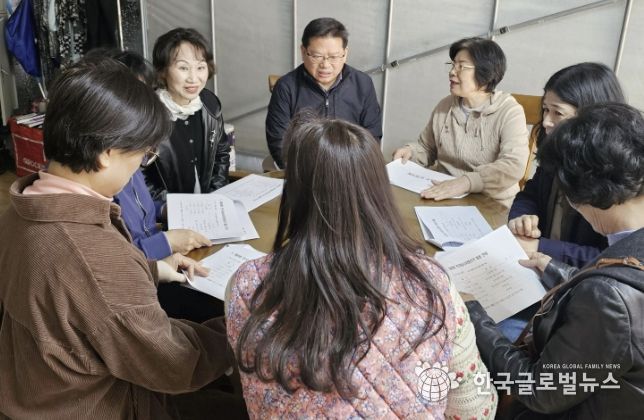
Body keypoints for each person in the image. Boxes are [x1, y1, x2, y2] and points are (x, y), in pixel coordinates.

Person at [0, 58, 232, 418]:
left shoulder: (21, 210)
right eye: (142, 155)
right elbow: (175, 363)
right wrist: (240, 330)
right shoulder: (96, 258)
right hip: (100, 406)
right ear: (106, 154)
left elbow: (73, 298)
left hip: (39, 395)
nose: (140, 165)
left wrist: (148, 269)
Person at [227, 114, 497, 418]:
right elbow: (476, 407)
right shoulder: (431, 282)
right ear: (378, 189)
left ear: (294, 193)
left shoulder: (247, 285)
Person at [466, 103, 644, 419]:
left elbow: (539, 391)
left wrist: (472, 315)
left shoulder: (607, 296)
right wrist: (559, 271)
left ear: (582, 193)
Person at [508, 63, 624, 268]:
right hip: (539, 267)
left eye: (558, 113)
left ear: (591, 117)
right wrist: (522, 217)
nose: (546, 121)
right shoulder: (558, 152)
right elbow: (530, 194)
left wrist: (541, 247)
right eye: (545, 109)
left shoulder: (617, 177)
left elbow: (616, 259)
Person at [393, 37, 529, 207]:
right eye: (452, 65)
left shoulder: (509, 111)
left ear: (486, 73)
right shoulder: (445, 105)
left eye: (461, 67)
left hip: (491, 203)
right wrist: (411, 152)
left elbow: (513, 165)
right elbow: (427, 147)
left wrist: (466, 182)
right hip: (444, 196)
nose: (452, 72)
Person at [265, 17, 382, 168]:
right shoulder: (286, 87)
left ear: (345, 53)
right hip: (302, 171)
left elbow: (372, 137)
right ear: (303, 52)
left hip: (350, 170)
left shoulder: (363, 84)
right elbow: (279, 142)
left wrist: (352, 170)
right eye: (317, 56)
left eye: (333, 57)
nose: (325, 65)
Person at [145, 27, 230, 206]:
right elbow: (139, 175)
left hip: (208, 207)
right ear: (162, 71)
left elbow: (221, 152)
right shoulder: (147, 114)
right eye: (183, 68)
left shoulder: (210, 103)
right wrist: (170, 208)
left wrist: (215, 196)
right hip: (166, 212)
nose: (193, 78)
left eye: (200, 67)